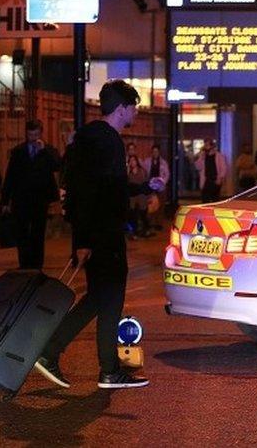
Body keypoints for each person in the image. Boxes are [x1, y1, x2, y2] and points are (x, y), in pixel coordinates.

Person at [34, 80, 164, 390]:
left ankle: (83, 361)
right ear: (122, 108)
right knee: (109, 296)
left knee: (100, 298)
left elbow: (89, 190)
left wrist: (81, 239)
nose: (135, 112)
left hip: (95, 234)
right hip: (104, 235)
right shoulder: (109, 142)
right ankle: (89, 364)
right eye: (133, 107)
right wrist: (87, 240)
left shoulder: (88, 140)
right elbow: (100, 193)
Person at [0, 119, 61, 270]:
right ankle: (24, 263)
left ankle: (37, 264)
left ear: (40, 134)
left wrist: (43, 151)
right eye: (30, 134)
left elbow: (57, 166)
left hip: (40, 199)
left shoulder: (48, 150)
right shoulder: (18, 151)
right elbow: (10, 176)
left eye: (35, 134)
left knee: (38, 232)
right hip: (21, 198)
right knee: (22, 232)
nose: (33, 138)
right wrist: (5, 201)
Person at [141, 144, 169, 229]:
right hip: (150, 186)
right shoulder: (147, 161)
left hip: (160, 186)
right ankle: (150, 223)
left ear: (159, 152)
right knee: (151, 205)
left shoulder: (163, 162)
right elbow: (144, 173)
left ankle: (159, 223)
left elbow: (167, 174)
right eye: (153, 151)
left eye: (156, 151)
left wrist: (162, 182)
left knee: (161, 205)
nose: (155, 153)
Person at [195, 138, 227, 203]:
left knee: (215, 200)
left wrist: (220, 179)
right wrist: (200, 158)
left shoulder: (219, 156)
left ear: (212, 146)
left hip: (215, 180)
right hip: (206, 180)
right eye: (205, 145)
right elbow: (198, 167)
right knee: (205, 200)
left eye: (208, 145)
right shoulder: (203, 156)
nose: (206, 147)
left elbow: (223, 168)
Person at [127, 155, 150, 238]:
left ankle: (145, 230)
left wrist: (148, 196)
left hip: (141, 196)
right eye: (131, 161)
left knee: (143, 214)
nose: (132, 162)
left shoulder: (142, 171)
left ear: (137, 161)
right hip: (132, 197)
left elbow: (146, 184)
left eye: (134, 160)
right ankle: (134, 232)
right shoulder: (128, 172)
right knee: (133, 216)